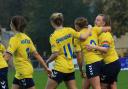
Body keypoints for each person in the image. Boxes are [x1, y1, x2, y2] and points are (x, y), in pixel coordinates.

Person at [45, 12, 91, 89]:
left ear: (52, 23)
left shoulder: (53, 36)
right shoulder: (69, 30)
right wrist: (89, 28)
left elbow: (55, 54)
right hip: (70, 68)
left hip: (59, 68)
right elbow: (84, 37)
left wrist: (47, 61)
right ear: (62, 21)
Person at [4, 16, 52, 89]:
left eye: (11, 22)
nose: (10, 23)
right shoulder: (27, 38)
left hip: (23, 73)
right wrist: (46, 68)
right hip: (21, 72)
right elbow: (37, 54)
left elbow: (6, 58)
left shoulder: (14, 39)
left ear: (13, 25)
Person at [74, 17, 111, 89]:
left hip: (91, 63)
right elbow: (109, 28)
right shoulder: (94, 29)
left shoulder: (78, 36)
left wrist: (81, 70)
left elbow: (79, 57)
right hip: (101, 61)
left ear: (77, 26)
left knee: (97, 87)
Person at [86, 14, 121, 89]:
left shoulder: (105, 34)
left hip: (111, 64)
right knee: (112, 85)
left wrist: (93, 47)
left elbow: (105, 49)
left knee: (102, 86)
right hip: (110, 64)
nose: (95, 21)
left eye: (98, 20)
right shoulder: (98, 32)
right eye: (95, 19)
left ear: (104, 23)